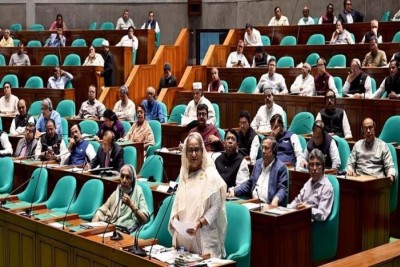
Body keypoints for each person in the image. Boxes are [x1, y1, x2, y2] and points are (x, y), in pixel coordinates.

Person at [169, 132, 227, 258]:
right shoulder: (184, 176)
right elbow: (177, 203)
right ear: (185, 153)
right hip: (185, 243)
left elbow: (216, 206)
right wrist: (174, 220)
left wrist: (199, 224)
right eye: (190, 150)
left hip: (204, 241)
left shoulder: (210, 174)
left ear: (202, 151)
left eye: (197, 150)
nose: (194, 154)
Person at [229, 136, 288, 206]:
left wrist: (276, 199)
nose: (263, 151)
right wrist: (235, 191)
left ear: (274, 151)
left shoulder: (280, 167)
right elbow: (250, 183)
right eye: (262, 147)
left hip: (268, 204)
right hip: (254, 202)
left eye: (266, 148)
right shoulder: (258, 163)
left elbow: (282, 189)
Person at [92, 164, 149, 231]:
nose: (124, 181)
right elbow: (103, 209)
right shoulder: (117, 192)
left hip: (127, 230)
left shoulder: (138, 192)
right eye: (122, 176)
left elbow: (145, 219)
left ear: (133, 180)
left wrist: (131, 205)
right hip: (113, 227)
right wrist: (97, 216)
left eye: (128, 177)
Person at [288, 149, 334, 222]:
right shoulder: (308, 182)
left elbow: (322, 215)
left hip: (312, 224)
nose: (314, 168)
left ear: (323, 167)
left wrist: (308, 210)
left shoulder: (327, 187)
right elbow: (297, 200)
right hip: (300, 219)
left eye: (318, 164)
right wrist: (286, 210)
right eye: (312, 165)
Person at [346, 118, 395, 182]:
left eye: (370, 127)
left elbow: (390, 166)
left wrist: (390, 176)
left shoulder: (383, 146)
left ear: (374, 128)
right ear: (362, 130)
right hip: (359, 181)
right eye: (365, 128)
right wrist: (350, 170)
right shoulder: (357, 145)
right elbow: (350, 164)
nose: (368, 131)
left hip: (376, 182)